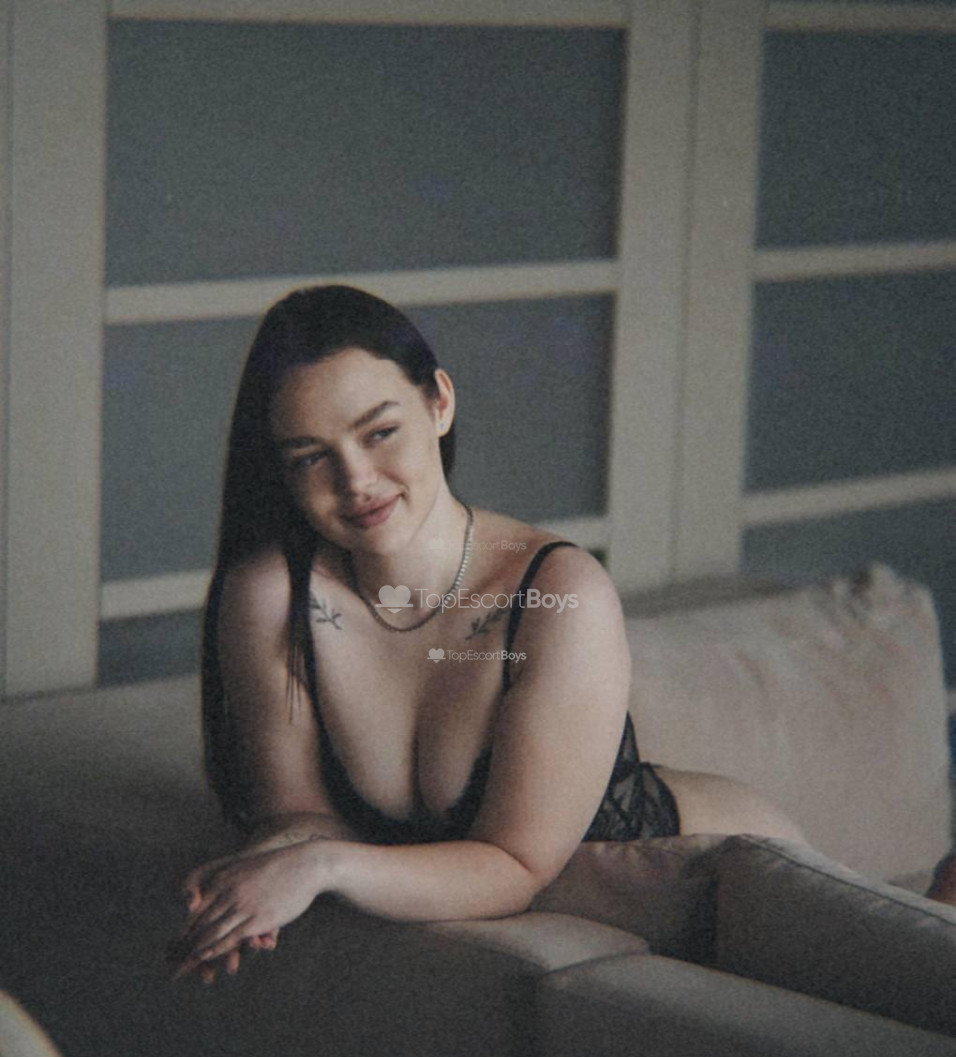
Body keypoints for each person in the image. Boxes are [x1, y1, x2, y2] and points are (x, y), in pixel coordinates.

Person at [166, 284, 815, 983]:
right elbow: (297, 813)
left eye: (379, 432)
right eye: (310, 457)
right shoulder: (274, 597)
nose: (355, 479)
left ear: (439, 403)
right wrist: (261, 881)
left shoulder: (558, 590)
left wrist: (323, 866)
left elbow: (515, 867)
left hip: (730, 882)